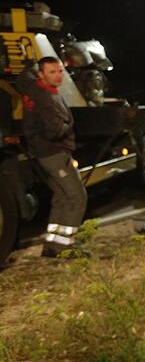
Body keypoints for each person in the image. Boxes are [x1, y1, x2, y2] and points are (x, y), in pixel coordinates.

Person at [19, 58, 88, 257]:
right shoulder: (47, 99)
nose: (58, 76)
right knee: (77, 196)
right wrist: (70, 123)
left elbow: (25, 79)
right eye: (52, 72)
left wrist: (28, 67)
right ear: (42, 75)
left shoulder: (32, 87)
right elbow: (55, 131)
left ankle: (52, 244)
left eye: (59, 71)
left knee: (61, 196)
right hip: (55, 154)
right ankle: (65, 246)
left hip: (44, 154)